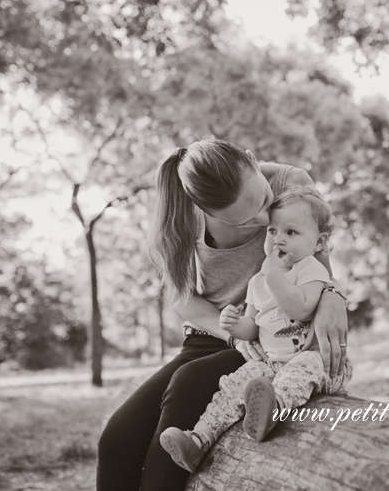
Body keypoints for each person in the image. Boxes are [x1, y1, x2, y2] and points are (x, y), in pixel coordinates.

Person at [96, 138, 349, 491]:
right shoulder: (181, 214)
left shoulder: (292, 182)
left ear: (251, 158)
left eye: (263, 203)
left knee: (186, 386)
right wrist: (231, 333)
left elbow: (320, 269)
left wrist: (334, 296)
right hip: (214, 335)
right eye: (247, 222)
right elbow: (183, 296)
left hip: (269, 338)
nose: (264, 220)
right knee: (117, 440)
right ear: (204, 209)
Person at [159, 185, 353, 472]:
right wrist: (235, 325)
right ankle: (198, 440)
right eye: (272, 231)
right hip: (272, 363)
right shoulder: (257, 283)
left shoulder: (310, 269)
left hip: (318, 362)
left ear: (319, 242)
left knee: (301, 369)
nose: (278, 240)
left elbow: (299, 308)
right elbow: (252, 329)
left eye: (291, 232)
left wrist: (272, 272)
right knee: (235, 384)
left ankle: (271, 411)